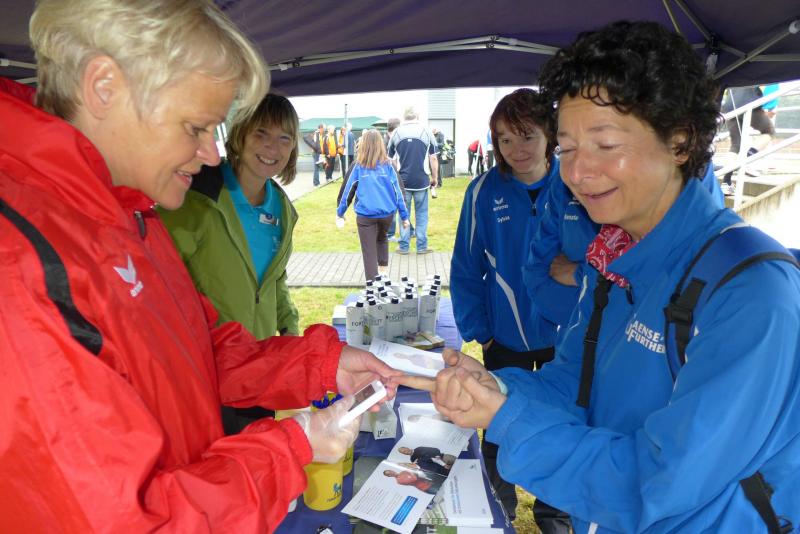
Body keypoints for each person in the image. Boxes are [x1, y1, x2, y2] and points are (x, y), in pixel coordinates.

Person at [0, 1, 403, 532]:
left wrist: (321, 365)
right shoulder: (23, 265)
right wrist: (292, 446)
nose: (212, 154)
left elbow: (199, 352)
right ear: (104, 88)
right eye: (195, 128)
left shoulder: (129, 213)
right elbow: (128, 520)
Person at [406, 20, 800, 534]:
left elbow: (658, 482)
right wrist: (496, 389)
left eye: (605, 144)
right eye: (567, 149)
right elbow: (575, 382)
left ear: (680, 141)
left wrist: (509, 418)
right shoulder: (613, 260)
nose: (577, 173)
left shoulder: (750, 292)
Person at [450, 88, 570, 532]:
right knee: (499, 427)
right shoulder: (483, 192)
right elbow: (465, 267)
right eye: (505, 139)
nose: (517, 149)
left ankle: (555, 516)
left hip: (565, 342)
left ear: (549, 135)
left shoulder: (575, 183)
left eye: (527, 136)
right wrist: (481, 331)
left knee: (560, 427)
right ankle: (495, 513)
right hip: (505, 339)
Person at [159, 93, 302, 434]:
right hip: (207, 368)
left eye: (284, 138)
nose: (272, 147)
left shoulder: (282, 209)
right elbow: (161, 279)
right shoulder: (197, 196)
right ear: (240, 134)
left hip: (260, 365)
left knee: (258, 451)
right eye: (261, 133)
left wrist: (290, 331)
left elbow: (275, 280)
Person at [336, 130, 410, 281]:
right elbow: (399, 192)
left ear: (363, 144)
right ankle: (383, 277)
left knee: (369, 251)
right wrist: (404, 216)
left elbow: (347, 192)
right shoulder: (389, 165)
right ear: (381, 144)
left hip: (366, 216)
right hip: (387, 215)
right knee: (382, 239)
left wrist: (340, 212)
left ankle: (372, 287)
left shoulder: (358, 166)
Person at [388, 106, 438, 255]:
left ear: (404, 117)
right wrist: (434, 177)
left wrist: (395, 178)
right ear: (417, 116)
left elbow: (391, 160)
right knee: (422, 214)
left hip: (402, 182)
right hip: (421, 181)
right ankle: (421, 246)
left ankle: (404, 246)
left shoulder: (396, 133)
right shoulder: (427, 132)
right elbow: (433, 158)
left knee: (403, 213)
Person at [720, 85, 776, 195]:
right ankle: (746, 159)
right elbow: (772, 88)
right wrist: (770, 107)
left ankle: (726, 183)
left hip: (730, 107)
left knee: (736, 145)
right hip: (749, 104)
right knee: (769, 132)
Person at [303, 122, 325, 187]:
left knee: (317, 167)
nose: (324, 130)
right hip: (316, 153)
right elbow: (317, 144)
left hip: (317, 153)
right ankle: (316, 183)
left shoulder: (319, 134)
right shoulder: (317, 134)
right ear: (321, 128)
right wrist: (319, 151)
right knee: (316, 168)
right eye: (324, 128)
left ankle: (317, 182)